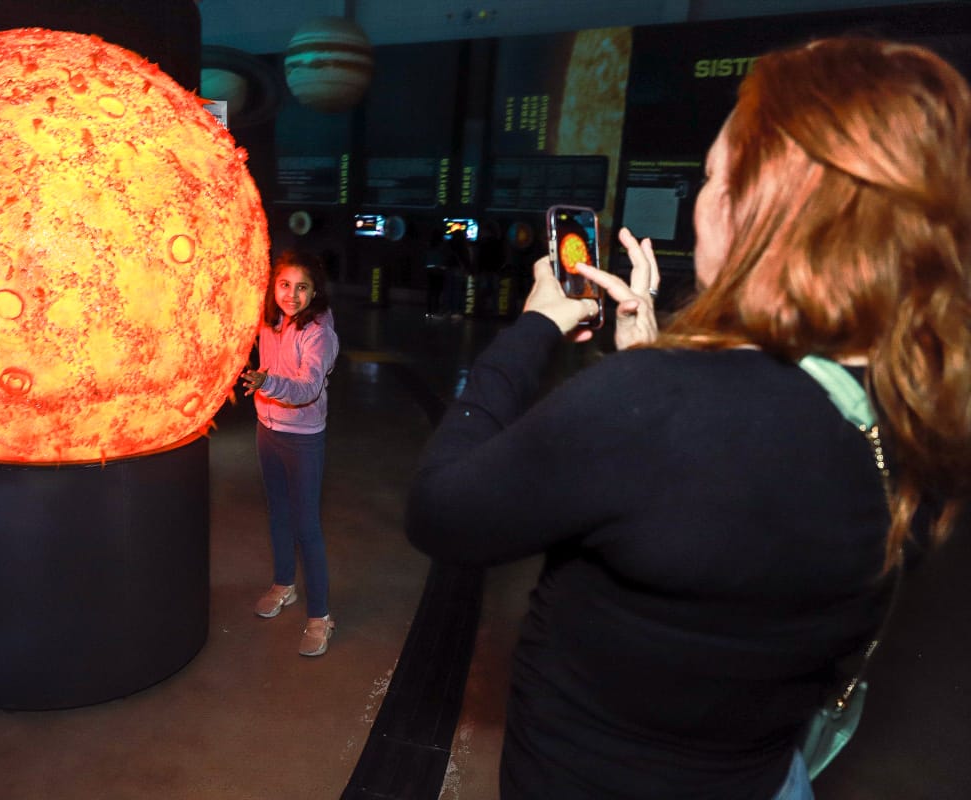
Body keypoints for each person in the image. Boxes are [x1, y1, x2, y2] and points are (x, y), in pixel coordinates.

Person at [406, 36, 971, 799]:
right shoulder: (924, 406)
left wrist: (536, 329)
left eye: (712, 178)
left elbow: (443, 513)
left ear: (762, 209)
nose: (702, 201)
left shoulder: (656, 407)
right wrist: (660, 356)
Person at [241, 249, 341, 657]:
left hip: (303, 438)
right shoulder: (271, 320)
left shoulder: (319, 332)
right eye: (285, 285)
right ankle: (284, 585)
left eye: (302, 288)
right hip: (268, 431)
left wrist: (267, 382)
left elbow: (307, 388)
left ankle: (320, 617)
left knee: (307, 527)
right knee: (278, 513)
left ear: (314, 292)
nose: (292, 295)